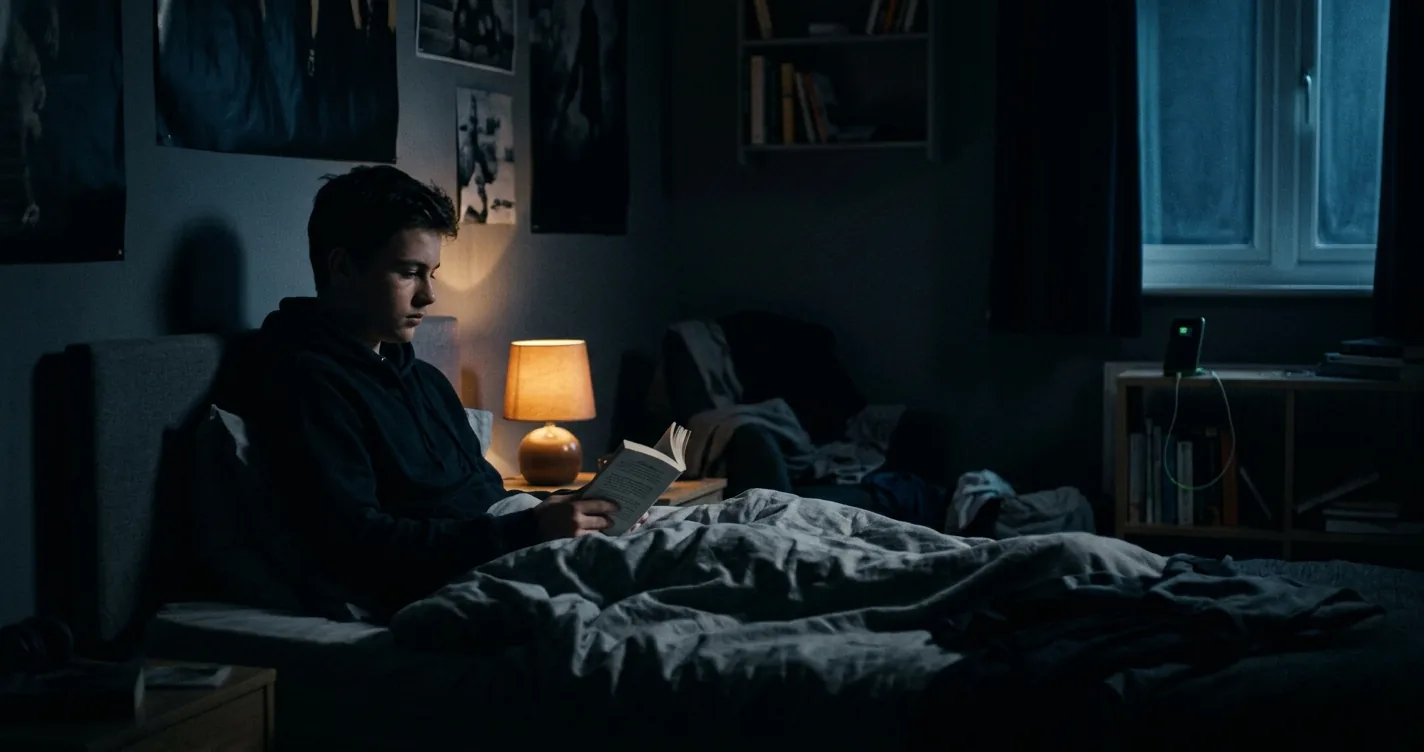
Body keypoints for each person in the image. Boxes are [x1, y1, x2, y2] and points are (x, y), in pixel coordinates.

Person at [248, 165, 620, 616]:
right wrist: (529, 530)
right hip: (471, 575)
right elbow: (359, 544)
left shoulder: (426, 380)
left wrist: (566, 512)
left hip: (514, 545)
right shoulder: (308, 386)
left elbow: (485, 494)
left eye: (433, 273)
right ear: (342, 267)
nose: (429, 296)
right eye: (409, 273)